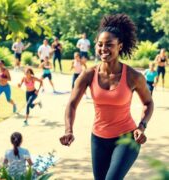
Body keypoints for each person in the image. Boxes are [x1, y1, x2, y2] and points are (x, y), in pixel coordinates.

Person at [60, 14, 154, 180]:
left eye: (109, 45)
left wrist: (142, 126)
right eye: (100, 44)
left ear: (120, 46)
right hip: (98, 138)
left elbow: (148, 102)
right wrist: (68, 129)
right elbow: (72, 104)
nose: (103, 49)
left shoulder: (133, 76)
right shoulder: (88, 74)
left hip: (126, 138)